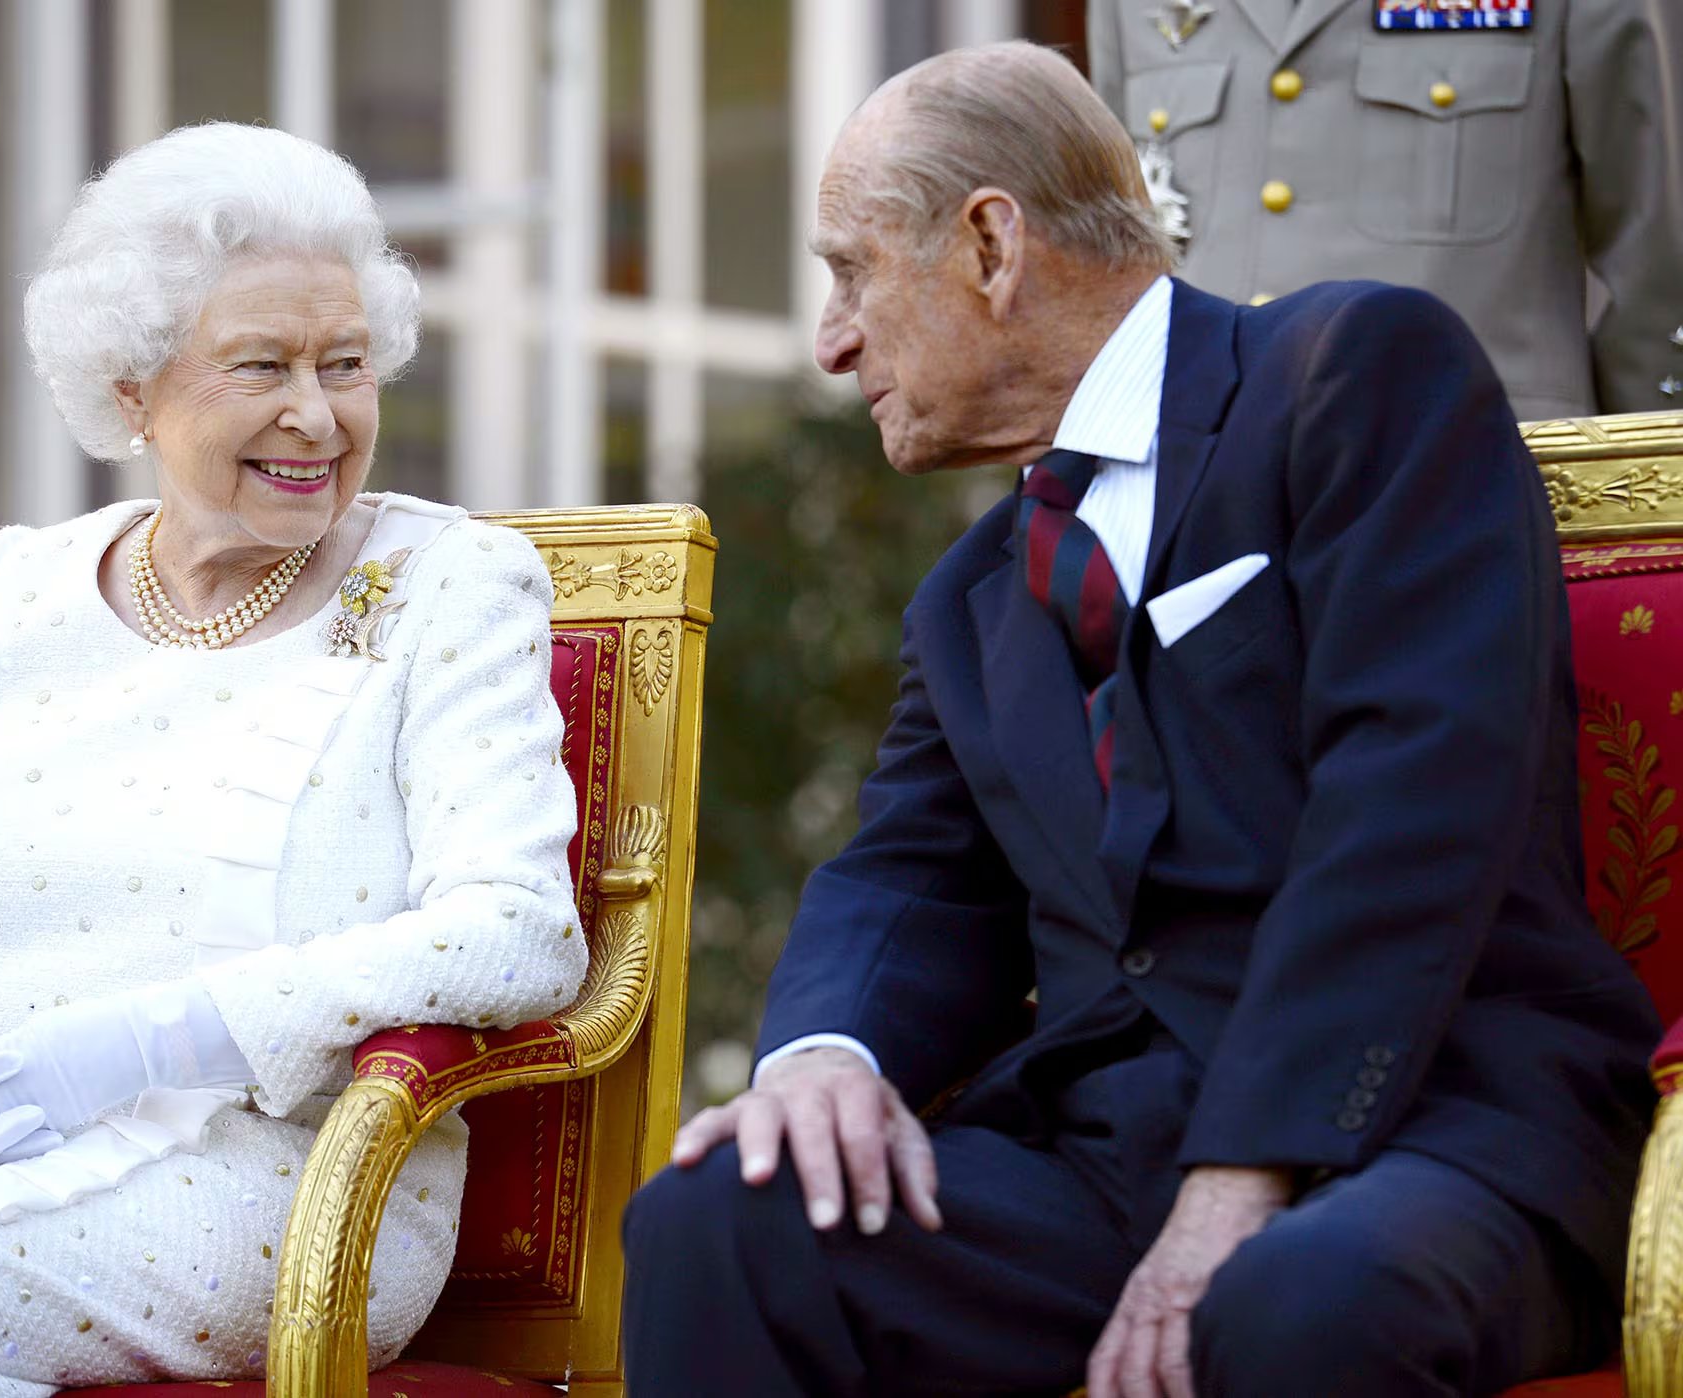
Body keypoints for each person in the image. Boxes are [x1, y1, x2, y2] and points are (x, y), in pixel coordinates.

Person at [622, 41, 1659, 1398]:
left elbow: (1411, 803)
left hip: (1425, 1124)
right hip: (1111, 1164)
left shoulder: (1356, 375)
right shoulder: (972, 596)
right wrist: (826, 1056)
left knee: (1297, 1300)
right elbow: (911, 874)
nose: (832, 342)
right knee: (726, 1220)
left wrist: (1242, 1179)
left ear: (992, 242)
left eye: (851, 270)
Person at [0, 122, 587, 1398]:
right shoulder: (9, 593)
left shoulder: (447, 584)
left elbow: (516, 930)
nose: (315, 415)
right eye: (261, 365)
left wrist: (142, 1043)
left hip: (278, 1189)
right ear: (131, 389)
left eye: (347, 364)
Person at [1085, 0, 1683, 421]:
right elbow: (1111, 246)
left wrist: (1646, 486)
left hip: (1478, 491)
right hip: (1203, 497)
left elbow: (1661, 257)